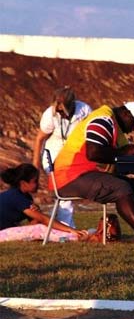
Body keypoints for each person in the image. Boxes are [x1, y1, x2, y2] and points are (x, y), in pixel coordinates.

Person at [52, 102, 134, 247]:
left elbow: (121, 160)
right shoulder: (103, 120)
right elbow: (93, 152)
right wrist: (125, 152)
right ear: (126, 114)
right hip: (69, 175)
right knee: (121, 188)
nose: (133, 129)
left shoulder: (114, 127)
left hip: (80, 174)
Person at [31, 86, 91, 227]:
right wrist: (36, 164)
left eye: (62, 111)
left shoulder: (85, 111)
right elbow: (40, 138)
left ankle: (54, 224)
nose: (60, 114)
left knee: (64, 192)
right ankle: (66, 227)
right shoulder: (49, 115)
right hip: (54, 153)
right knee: (63, 190)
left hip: (75, 153)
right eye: (57, 111)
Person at [0, 163, 88, 242]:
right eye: (35, 181)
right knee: (40, 229)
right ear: (23, 183)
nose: (38, 184)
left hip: (5, 231)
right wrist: (69, 229)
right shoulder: (15, 196)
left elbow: (36, 221)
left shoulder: (25, 197)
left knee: (39, 228)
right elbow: (43, 219)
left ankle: (74, 235)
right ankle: (73, 237)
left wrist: (37, 212)